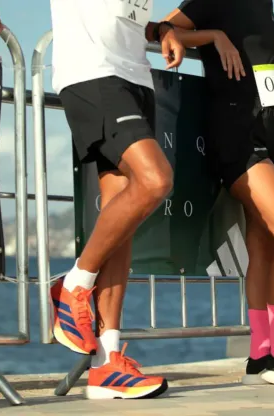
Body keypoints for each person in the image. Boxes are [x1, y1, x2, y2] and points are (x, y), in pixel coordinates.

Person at [164, 0, 274, 385]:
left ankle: (260, 355)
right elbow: (161, 30)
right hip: (237, 131)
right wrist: (214, 37)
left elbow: (255, 50)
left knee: (265, 243)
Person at [49, 0, 184, 400]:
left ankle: (106, 363)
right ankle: (73, 284)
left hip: (135, 76)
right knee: (155, 180)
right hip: (94, 72)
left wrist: (161, 30)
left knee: (121, 217)